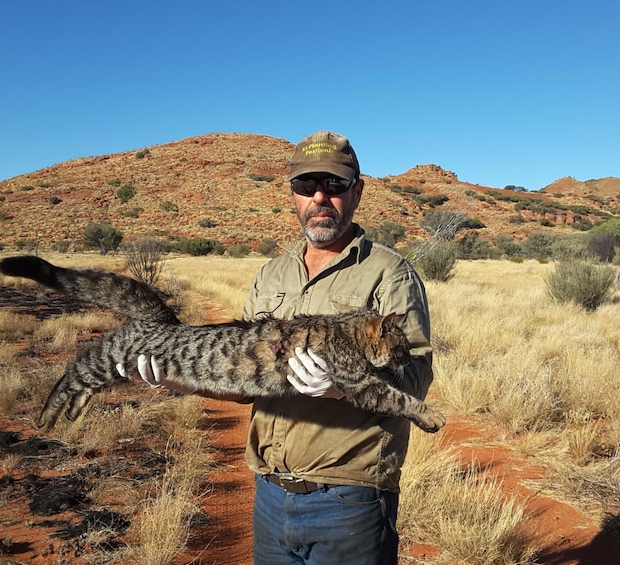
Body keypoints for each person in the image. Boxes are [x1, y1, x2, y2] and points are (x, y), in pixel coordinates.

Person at [133, 131, 433, 565]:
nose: (319, 197)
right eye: (305, 186)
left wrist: (344, 387)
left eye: (334, 185)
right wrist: (183, 379)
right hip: (271, 495)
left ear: (357, 191)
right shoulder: (272, 275)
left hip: (349, 499)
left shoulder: (389, 274)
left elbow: (418, 378)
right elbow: (244, 378)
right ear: (292, 193)